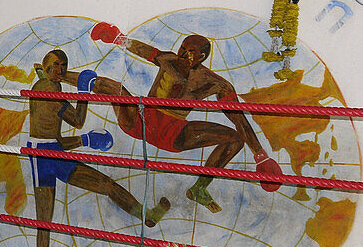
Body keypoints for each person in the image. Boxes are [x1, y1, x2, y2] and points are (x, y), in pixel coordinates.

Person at [85, 24, 282, 212]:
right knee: (112, 88)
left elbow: (238, 119)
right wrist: (117, 39)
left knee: (234, 138)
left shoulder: (213, 82)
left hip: (173, 132)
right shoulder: (168, 60)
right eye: (182, 48)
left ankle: (199, 188)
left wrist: (260, 156)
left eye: (190, 51)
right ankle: (65, 79)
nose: (183, 54)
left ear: (202, 57)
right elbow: (144, 50)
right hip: (141, 121)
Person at [25, 50, 170, 247]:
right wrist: (83, 92)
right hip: (41, 157)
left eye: (63, 65)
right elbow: (78, 120)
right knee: (44, 216)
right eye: (54, 65)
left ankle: (146, 215)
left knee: (106, 185)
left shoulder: (47, 84)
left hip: (54, 152)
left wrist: (86, 141)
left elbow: (57, 141)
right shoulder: (48, 88)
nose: (59, 69)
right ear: (45, 66)